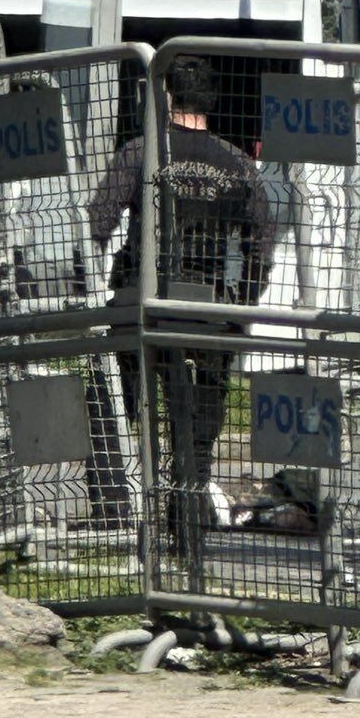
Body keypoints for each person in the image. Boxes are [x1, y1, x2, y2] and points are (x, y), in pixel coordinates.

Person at [89, 54, 276, 541]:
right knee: (200, 421)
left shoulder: (141, 152)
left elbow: (97, 222)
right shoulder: (238, 163)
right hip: (208, 308)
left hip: (142, 303)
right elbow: (261, 244)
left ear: (165, 95)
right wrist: (241, 305)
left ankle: (117, 502)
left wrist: (91, 282)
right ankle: (187, 503)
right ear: (210, 102)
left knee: (116, 400)